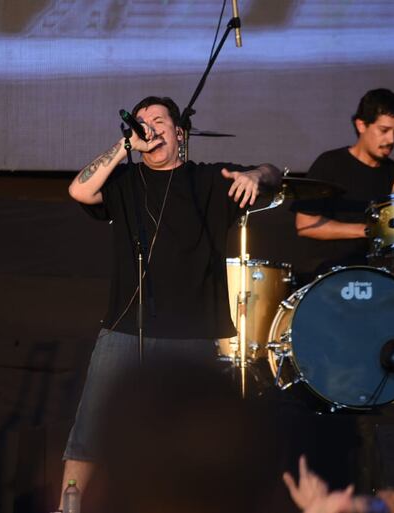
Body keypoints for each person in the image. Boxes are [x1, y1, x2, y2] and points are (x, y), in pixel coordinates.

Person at [60, 95, 282, 507]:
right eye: (142, 122)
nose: (150, 128)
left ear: (180, 133)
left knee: (189, 444)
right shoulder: (125, 183)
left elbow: (274, 174)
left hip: (191, 334)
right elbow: (80, 189)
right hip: (123, 330)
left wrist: (254, 174)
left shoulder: (209, 181)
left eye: (159, 120)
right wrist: (125, 146)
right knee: (87, 439)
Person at [292, 88, 394, 282]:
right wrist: (368, 230)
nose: (391, 140)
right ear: (361, 125)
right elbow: (305, 225)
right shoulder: (330, 163)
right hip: (329, 275)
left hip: (380, 275)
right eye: (384, 130)